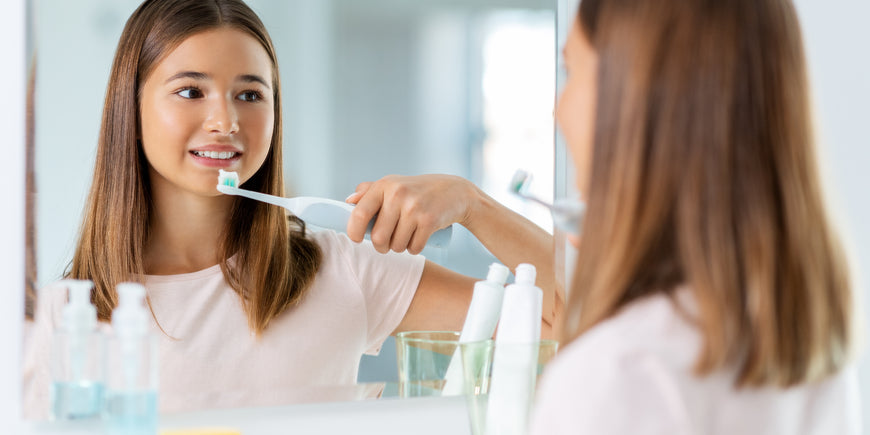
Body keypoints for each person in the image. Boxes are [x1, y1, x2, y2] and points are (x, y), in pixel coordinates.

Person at [24, 0, 556, 418]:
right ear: (129, 106)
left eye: (251, 95)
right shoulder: (62, 320)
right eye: (190, 91)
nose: (225, 121)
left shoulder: (345, 269)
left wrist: (473, 203)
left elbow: (568, 320)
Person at [530, 0, 860, 433]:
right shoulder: (814, 355)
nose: (558, 110)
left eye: (571, 72)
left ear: (633, 102)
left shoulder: (615, 377)